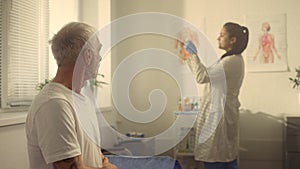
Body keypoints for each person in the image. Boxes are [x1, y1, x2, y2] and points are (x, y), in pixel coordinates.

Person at [26, 22, 117, 169]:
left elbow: (93, 151)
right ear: (88, 56)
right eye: (98, 51)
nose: (100, 58)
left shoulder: (82, 99)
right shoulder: (54, 104)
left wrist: (105, 163)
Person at [182, 22, 249, 169]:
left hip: (219, 118)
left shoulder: (230, 61)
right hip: (222, 114)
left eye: (222, 35)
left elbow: (202, 76)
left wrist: (193, 55)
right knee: (225, 158)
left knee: (215, 159)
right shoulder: (231, 59)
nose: (218, 38)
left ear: (233, 40)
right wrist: (191, 57)